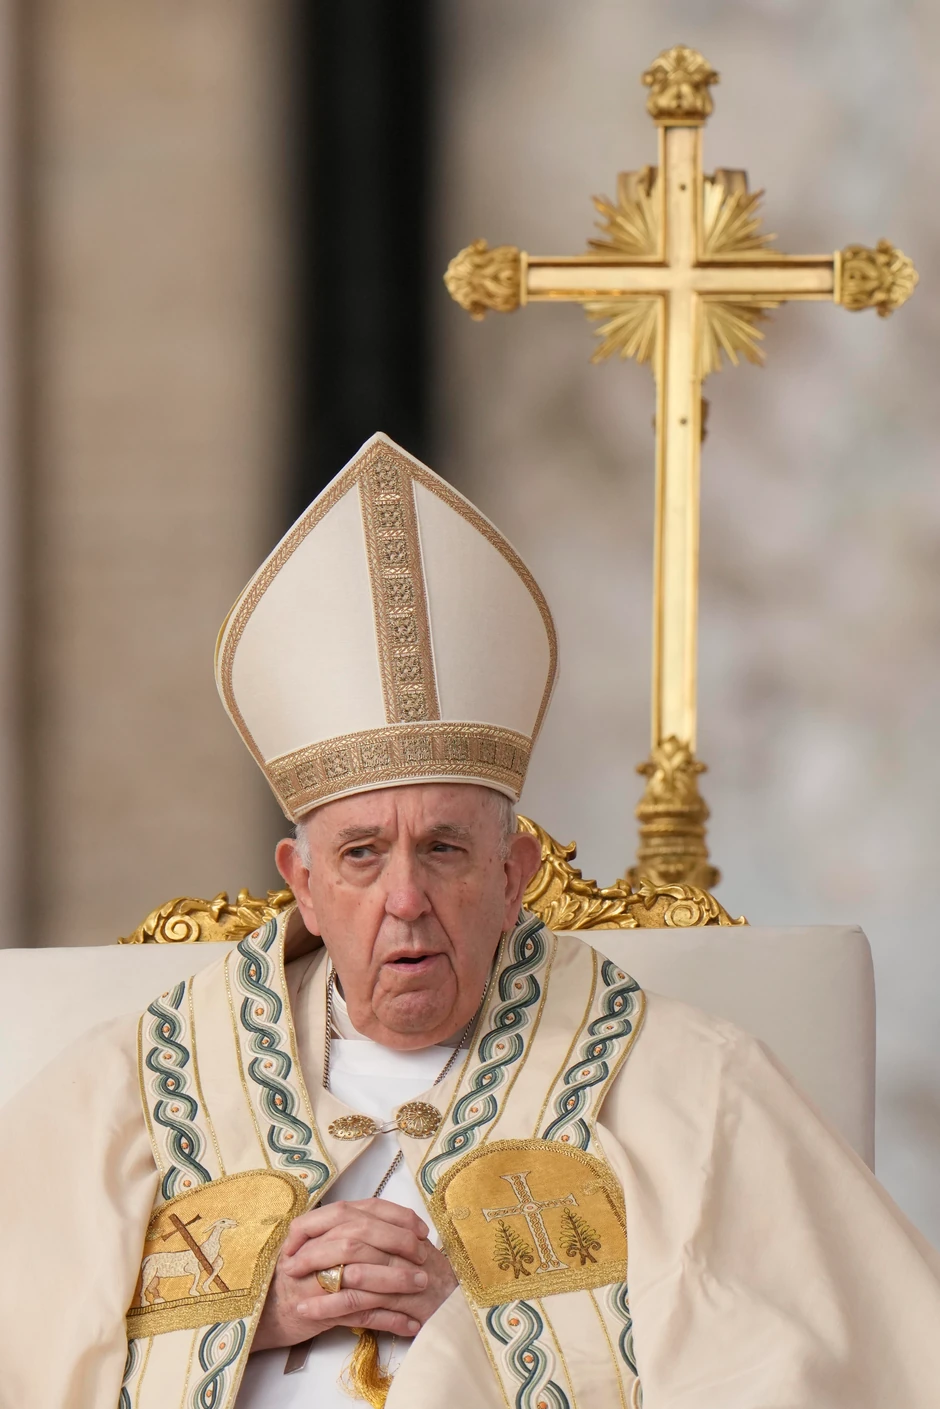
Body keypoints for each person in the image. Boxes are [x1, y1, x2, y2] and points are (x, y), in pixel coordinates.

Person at [1, 433, 940, 1409]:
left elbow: (804, 1362)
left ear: (512, 873)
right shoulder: (138, 1087)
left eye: (444, 848)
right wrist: (235, 1314)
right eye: (361, 855)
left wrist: (488, 1318)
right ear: (302, 885)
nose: (405, 898)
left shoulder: (688, 1084)